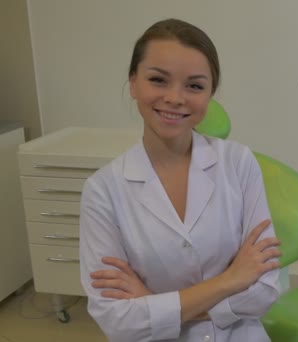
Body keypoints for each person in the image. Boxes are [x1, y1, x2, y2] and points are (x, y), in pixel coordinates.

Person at [79, 18, 282, 342]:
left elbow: (266, 290)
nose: (175, 98)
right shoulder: (103, 191)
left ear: (210, 94)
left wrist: (151, 303)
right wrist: (230, 280)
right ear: (133, 83)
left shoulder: (239, 163)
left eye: (195, 86)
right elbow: (117, 321)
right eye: (158, 80)